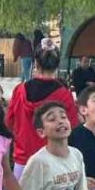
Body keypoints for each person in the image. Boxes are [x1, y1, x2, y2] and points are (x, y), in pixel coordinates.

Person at [19, 101, 88, 190]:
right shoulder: (39, 162)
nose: (60, 121)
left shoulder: (77, 155)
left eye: (63, 117)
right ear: (41, 132)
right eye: (52, 119)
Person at [5, 46, 79, 177]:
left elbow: (8, 122)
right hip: (53, 161)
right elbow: (72, 126)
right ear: (57, 66)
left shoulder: (20, 90)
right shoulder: (64, 94)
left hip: (23, 160)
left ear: (36, 64)